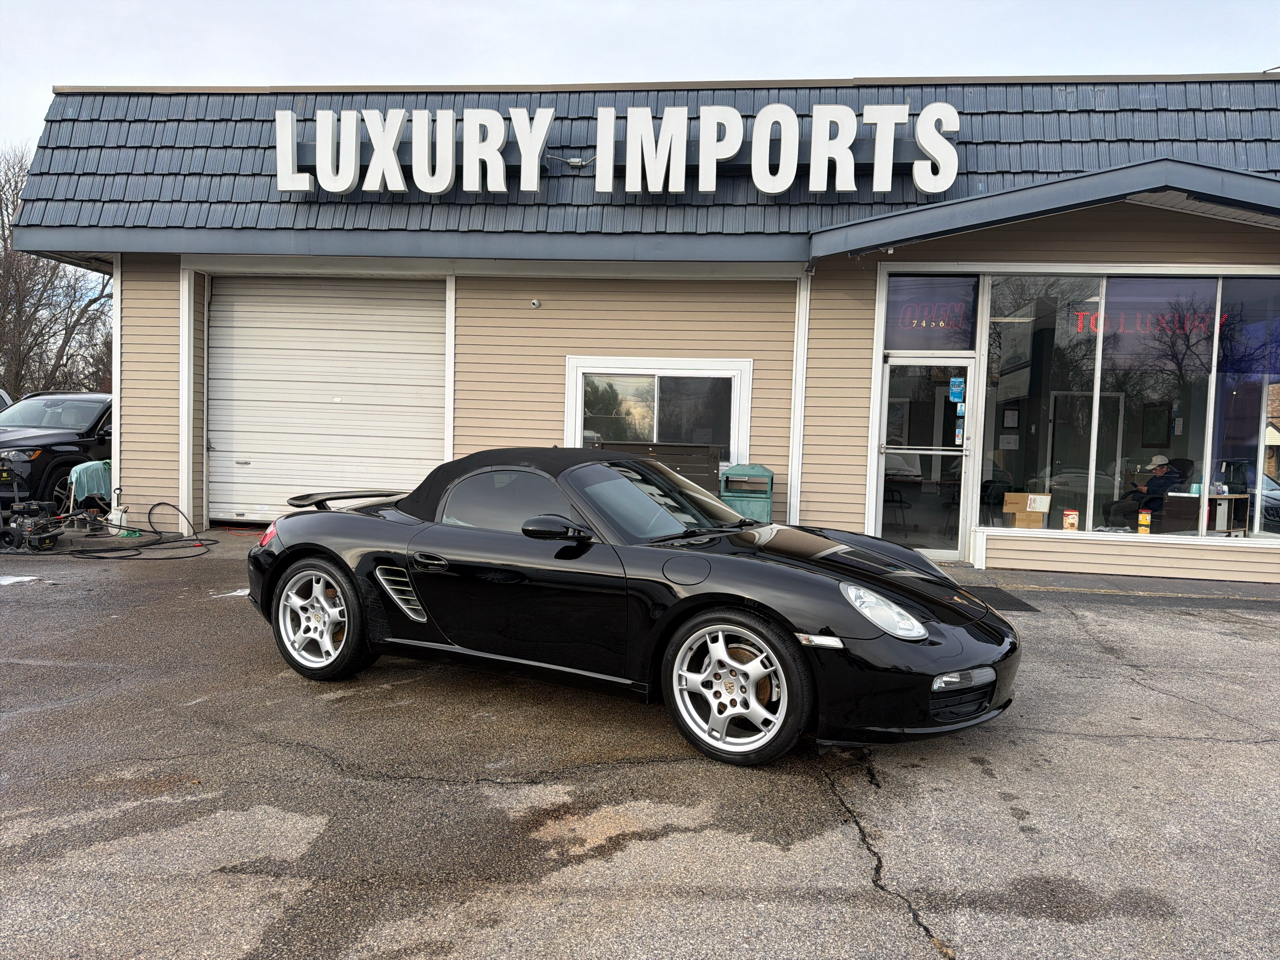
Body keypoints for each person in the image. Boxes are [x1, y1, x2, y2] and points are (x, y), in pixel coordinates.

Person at [1100, 456, 1182, 530]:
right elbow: (1152, 486)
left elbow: (1166, 492)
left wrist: (1147, 490)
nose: (1153, 471)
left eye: (1155, 469)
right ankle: (1108, 528)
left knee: (1117, 509)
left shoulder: (1173, 479)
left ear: (1164, 468)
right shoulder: (1158, 476)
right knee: (1107, 506)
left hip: (1151, 503)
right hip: (1142, 499)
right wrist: (1143, 487)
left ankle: (1119, 532)